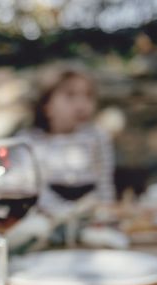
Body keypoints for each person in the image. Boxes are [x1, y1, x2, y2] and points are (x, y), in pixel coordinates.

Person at [18, 66, 116, 211]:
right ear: (46, 105)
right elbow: (33, 191)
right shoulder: (27, 142)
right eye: (70, 95)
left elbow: (104, 187)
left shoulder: (97, 137)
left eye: (88, 95)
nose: (82, 105)